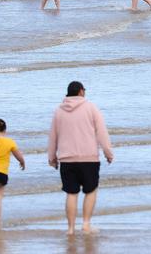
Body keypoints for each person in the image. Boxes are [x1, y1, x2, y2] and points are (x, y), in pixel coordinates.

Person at [48, 81, 114, 236]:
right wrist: (108, 152)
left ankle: (70, 229)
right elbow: (101, 132)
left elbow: (53, 136)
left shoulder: (58, 111)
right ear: (80, 92)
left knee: (71, 193)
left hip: (67, 159)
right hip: (89, 158)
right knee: (90, 191)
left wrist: (52, 157)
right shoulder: (91, 108)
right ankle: (85, 224)